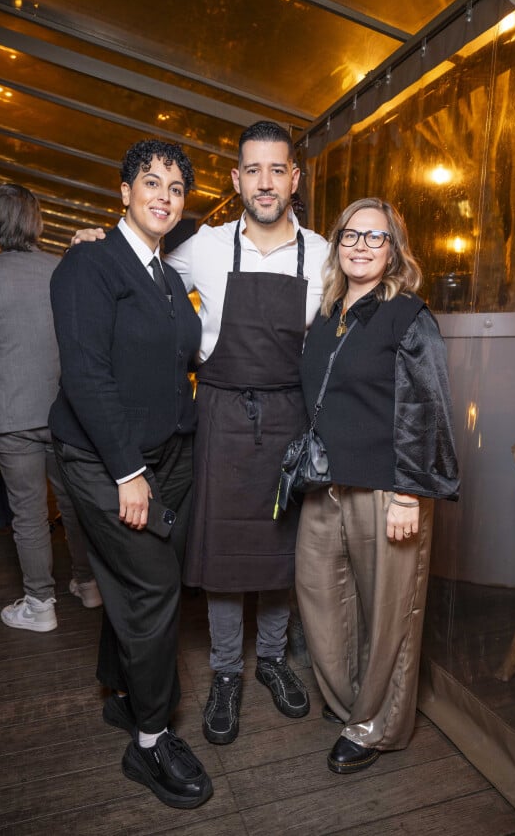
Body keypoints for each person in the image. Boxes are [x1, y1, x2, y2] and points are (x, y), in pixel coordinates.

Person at [72, 121, 328, 746]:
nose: (265, 183)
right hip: (218, 418)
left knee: (277, 547)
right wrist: (96, 240)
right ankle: (225, 674)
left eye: (277, 170)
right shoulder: (203, 246)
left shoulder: (324, 255)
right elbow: (140, 261)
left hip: (289, 418)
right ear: (237, 180)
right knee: (221, 554)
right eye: (253, 170)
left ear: (293, 179)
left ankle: (269, 660)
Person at [49, 139, 212, 809]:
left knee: (137, 584)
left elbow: (181, 366)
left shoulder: (170, 280)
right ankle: (148, 744)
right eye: (151, 181)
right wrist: (127, 471)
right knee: (153, 588)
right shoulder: (89, 263)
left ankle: (120, 693)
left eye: (176, 187)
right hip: (109, 461)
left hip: (170, 457)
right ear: (123, 191)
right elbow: (85, 373)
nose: (164, 194)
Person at [295, 197, 459, 775]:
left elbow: (427, 407)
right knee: (322, 602)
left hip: (389, 491)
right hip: (325, 486)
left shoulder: (408, 315)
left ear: (394, 250)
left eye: (376, 237)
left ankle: (376, 726)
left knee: (391, 612)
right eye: (351, 236)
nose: (361, 246)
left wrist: (410, 494)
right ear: (337, 244)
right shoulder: (329, 310)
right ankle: (347, 705)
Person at [0, 184, 101, 633]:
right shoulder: (61, 271)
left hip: (10, 417)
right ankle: (88, 585)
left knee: (28, 514)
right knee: (74, 504)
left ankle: (40, 603)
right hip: (65, 413)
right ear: (36, 222)